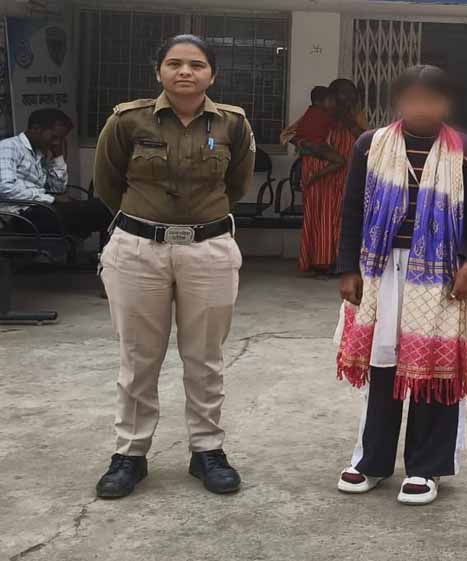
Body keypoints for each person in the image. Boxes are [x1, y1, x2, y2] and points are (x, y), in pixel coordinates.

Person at [91, 34, 256, 499]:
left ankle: (207, 450)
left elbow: (237, 184)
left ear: (212, 75)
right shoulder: (128, 120)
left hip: (208, 249)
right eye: (175, 63)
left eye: (197, 65)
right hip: (138, 249)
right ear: (159, 71)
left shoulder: (233, 124)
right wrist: (149, 221)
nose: (185, 72)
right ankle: (130, 454)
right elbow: (107, 182)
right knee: (138, 357)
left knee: (205, 357)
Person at [334, 65, 467, 506]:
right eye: (413, 97)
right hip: (380, 269)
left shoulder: (466, 150)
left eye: (433, 98)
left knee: (434, 370)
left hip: (441, 274)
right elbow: (352, 209)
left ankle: (426, 466)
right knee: (383, 365)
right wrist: (347, 269)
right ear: (398, 101)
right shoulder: (371, 145)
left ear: (448, 103)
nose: (422, 106)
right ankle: (372, 461)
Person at [0, 109, 111, 239]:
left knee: (105, 206)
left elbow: (58, 189)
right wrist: (50, 199)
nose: (57, 142)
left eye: (61, 139)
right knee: (101, 212)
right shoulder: (8, 147)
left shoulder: (39, 152)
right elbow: (5, 187)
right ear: (36, 129)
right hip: (19, 216)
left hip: (40, 208)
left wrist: (57, 156)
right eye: (54, 137)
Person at [297, 79, 364, 274]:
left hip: (346, 175)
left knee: (342, 217)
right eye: (343, 93)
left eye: (352, 92)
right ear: (332, 96)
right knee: (321, 217)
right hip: (322, 174)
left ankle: (339, 261)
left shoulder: (357, 117)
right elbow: (291, 135)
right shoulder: (320, 114)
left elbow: (366, 139)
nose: (348, 97)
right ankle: (320, 261)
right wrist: (307, 145)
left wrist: (350, 123)